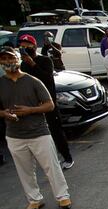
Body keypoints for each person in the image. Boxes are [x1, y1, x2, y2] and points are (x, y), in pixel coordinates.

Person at [0, 46, 72, 209]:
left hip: (39, 132)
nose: (8, 62)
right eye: (4, 59)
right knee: (24, 171)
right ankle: (34, 199)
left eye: (10, 58)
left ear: (17, 59)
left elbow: (49, 104)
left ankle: (62, 196)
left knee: (51, 167)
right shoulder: (1, 84)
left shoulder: (33, 81)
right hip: (14, 135)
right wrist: (4, 113)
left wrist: (29, 110)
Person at [19, 34, 74, 170]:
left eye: (28, 46)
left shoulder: (45, 61)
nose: (25, 48)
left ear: (34, 46)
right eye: (22, 46)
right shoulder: (22, 65)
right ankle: (49, 160)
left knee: (56, 132)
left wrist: (32, 63)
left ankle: (67, 157)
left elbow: (47, 79)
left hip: (48, 103)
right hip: (33, 105)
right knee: (40, 135)